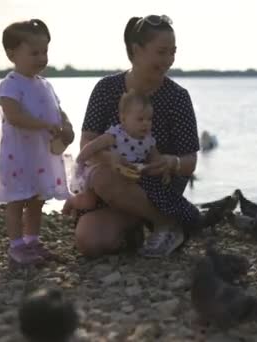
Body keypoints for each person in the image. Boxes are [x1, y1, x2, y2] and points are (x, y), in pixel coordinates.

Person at [66, 15, 200, 258]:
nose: (168, 60)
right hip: (111, 184)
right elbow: (87, 143)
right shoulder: (106, 89)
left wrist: (170, 162)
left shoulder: (178, 97)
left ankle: (165, 223)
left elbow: (189, 161)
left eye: (173, 52)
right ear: (136, 50)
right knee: (91, 243)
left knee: (104, 179)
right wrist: (111, 159)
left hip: (157, 189)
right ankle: (135, 226)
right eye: (161, 52)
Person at [0, 19, 74, 265]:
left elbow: (59, 111)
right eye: (34, 52)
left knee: (37, 199)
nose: (42, 58)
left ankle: (32, 240)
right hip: (18, 155)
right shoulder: (10, 85)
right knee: (17, 199)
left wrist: (67, 126)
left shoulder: (45, 85)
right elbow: (14, 115)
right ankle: (16, 245)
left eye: (45, 52)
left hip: (41, 155)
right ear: (12, 54)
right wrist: (43, 125)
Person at [67, 89, 169, 211]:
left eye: (149, 119)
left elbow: (156, 159)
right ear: (123, 119)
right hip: (105, 174)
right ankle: (71, 201)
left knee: (136, 196)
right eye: (140, 119)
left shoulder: (148, 141)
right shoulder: (116, 135)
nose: (146, 124)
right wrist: (79, 162)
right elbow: (91, 147)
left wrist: (164, 170)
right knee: (88, 203)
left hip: (129, 177)